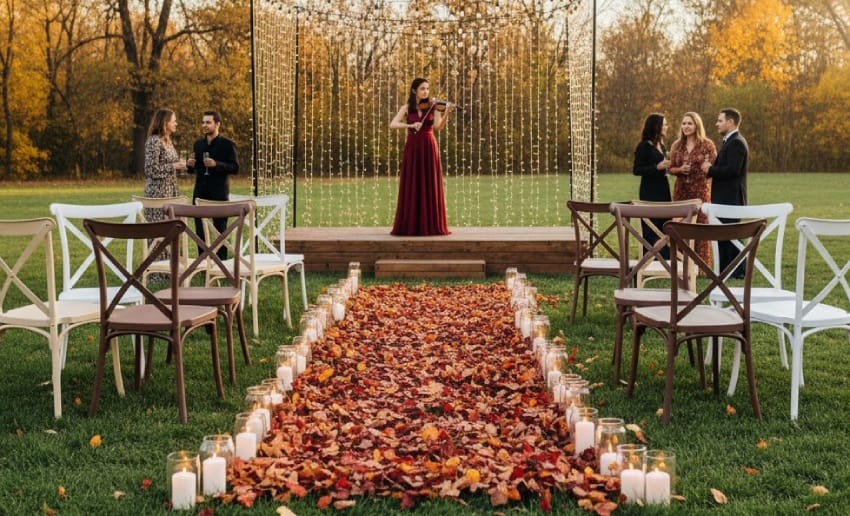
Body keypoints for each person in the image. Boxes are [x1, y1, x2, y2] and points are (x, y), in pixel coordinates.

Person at [389, 77, 455, 236]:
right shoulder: (406, 108)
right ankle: (411, 224)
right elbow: (392, 124)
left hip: (428, 146)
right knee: (412, 182)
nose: (426, 92)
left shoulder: (433, 107)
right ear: (414, 91)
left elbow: (438, 127)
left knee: (430, 183)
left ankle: (430, 225)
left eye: (427, 88)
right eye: (422, 89)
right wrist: (410, 125)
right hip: (413, 148)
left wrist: (446, 113)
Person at [701, 108, 748, 278]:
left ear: (730, 122)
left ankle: (737, 271)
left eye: (720, 121)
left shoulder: (736, 142)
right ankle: (726, 270)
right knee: (726, 234)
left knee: (731, 235)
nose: (717, 124)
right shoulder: (730, 141)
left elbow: (733, 170)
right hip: (726, 197)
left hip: (730, 198)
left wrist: (710, 169)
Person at [187, 110, 239, 258]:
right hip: (200, 192)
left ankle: (221, 263)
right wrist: (190, 165)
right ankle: (202, 262)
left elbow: (235, 168)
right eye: (203, 122)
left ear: (217, 124)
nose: (204, 125)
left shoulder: (227, 144)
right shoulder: (198, 144)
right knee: (200, 231)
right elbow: (194, 169)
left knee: (220, 230)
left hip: (219, 193)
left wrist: (217, 164)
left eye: (208, 122)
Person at [669, 112, 716, 267]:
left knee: (701, 227)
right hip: (681, 191)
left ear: (697, 125)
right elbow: (670, 168)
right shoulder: (677, 145)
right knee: (680, 226)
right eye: (684, 123)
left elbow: (714, 167)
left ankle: (701, 266)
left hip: (700, 190)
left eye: (689, 123)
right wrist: (679, 169)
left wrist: (706, 169)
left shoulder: (707, 144)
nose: (686, 126)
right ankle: (681, 265)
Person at [633, 113, 672, 258]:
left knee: (665, 223)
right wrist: (656, 167)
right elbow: (637, 170)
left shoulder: (661, 144)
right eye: (664, 124)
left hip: (663, 188)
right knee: (651, 224)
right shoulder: (644, 146)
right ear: (656, 126)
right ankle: (650, 257)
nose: (667, 127)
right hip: (650, 191)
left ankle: (665, 257)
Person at [143, 108, 186, 223]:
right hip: (158, 195)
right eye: (174, 121)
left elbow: (169, 164)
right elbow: (150, 170)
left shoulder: (167, 141)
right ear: (165, 123)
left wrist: (182, 165)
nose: (176, 123)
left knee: (173, 229)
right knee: (159, 231)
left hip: (171, 192)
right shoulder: (154, 141)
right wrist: (174, 166)